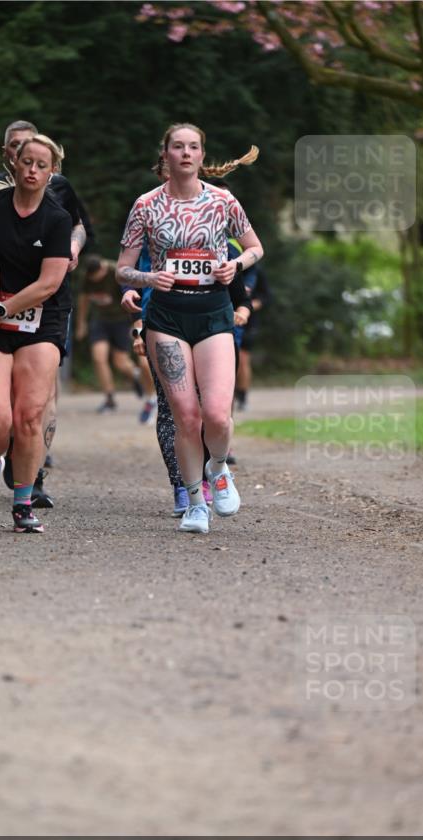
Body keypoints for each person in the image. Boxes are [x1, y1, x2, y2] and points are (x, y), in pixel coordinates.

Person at [117, 123, 263, 534]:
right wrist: (149, 280)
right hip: (166, 316)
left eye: (193, 146)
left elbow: (255, 247)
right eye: (177, 146)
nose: (185, 153)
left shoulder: (223, 201)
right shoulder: (146, 205)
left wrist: (236, 265)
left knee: (217, 415)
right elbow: (123, 269)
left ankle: (218, 470)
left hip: (214, 313)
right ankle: (195, 503)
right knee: (186, 415)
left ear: (202, 155)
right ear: (164, 154)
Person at [0, 119, 93, 502]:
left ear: (53, 167)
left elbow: (79, 228)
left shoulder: (58, 202)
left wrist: (72, 249)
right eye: (23, 155)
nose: (32, 168)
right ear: (10, 157)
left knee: (33, 408)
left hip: (45, 309)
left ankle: (29, 488)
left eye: (41, 162)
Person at [75, 254, 156, 416]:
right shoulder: (88, 276)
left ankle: (136, 375)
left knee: (120, 362)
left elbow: (133, 297)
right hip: (101, 320)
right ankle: (109, 399)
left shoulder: (117, 272)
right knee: (99, 357)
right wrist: (81, 323)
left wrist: (135, 324)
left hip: (122, 320)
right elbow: (83, 299)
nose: (96, 281)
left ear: (103, 269)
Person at [235, 264, 268, 411]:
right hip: (226, 315)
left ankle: (242, 395)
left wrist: (247, 307)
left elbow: (265, 296)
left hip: (247, 321)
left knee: (242, 359)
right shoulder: (226, 263)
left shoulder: (256, 270)